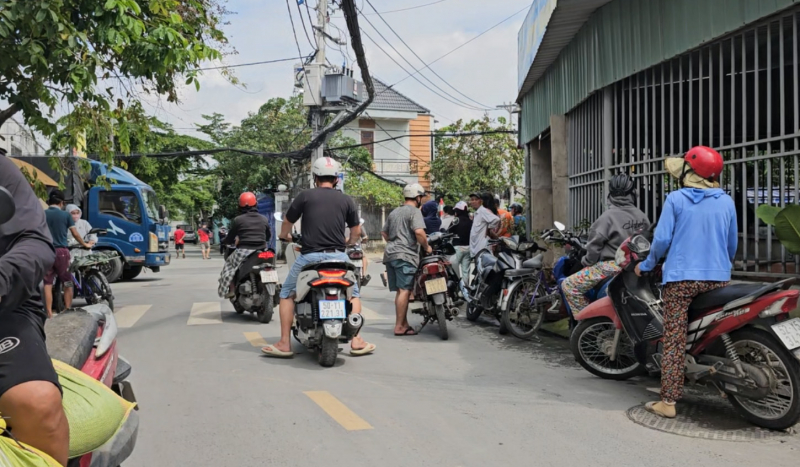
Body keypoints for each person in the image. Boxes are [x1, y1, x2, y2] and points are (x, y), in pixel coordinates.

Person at [636, 146, 734, 419]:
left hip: (681, 280)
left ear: (688, 173)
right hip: (718, 278)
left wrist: (647, 265)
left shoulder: (676, 199)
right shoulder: (726, 201)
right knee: (713, 326)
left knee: (674, 338)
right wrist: (722, 265)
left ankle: (668, 402)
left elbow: (662, 240)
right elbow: (731, 243)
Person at [262, 157, 375, 357]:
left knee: (286, 293)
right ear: (336, 179)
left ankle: (284, 343)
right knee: (354, 293)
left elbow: (287, 221)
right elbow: (356, 231)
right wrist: (349, 242)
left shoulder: (305, 196)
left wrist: (283, 235)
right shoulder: (346, 199)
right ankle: (356, 340)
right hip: (339, 258)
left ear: (315, 177)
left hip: (310, 258)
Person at [0, 155, 70, 465]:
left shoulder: (4, 171)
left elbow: (35, 241)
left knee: (35, 401)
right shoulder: (67, 216)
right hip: (64, 254)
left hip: (7, 302)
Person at [560, 173, 650, 317]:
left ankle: (590, 322)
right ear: (633, 193)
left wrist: (586, 262)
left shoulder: (607, 217)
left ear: (611, 193)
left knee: (569, 285)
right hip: (636, 267)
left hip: (611, 266)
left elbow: (593, 249)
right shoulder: (641, 216)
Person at [381, 183, 431, 336]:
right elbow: (419, 233)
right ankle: (399, 326)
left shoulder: (394, 212)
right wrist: (427, 247)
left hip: (390, 255)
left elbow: (384, 233)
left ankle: (404, 324)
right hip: (405, 256)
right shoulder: (415, 212)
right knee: (404, 291)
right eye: (421, 197)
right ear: (417, 197)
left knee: (400, 291)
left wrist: (395, 241)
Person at [43, 190, 93, 317]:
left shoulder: (42, 214)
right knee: (68, 281)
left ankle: (49, 313)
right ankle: (67, 309)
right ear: (62, 203)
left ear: (49, 202)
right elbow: (75, 233)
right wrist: (84, 244)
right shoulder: (65, 216)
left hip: (46, 251)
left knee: (47, 283)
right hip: (62, 252)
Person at [218, 192, 271, 299]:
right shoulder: (264, 219)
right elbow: (268, 236)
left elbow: (231, 237)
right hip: (262, 249)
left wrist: (225, 241)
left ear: (240, 206)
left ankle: (232, 289)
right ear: (255, 204)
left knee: (229, 267)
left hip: (244, 250)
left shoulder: (238, 220)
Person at [468, 192, 500, 258]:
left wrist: (488, 228)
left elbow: (496, 219)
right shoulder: (477, 213)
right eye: (472, 199)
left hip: (482, 248)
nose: (473, 201)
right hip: (477, 248)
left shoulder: (483, 211)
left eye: (476, 199)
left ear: (481, 201)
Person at [451, 201, 473, 283]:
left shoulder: (456, 220)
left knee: (453, 269)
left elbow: (450, 230)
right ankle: (465, 288)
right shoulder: (470, 221)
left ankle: (456, 287)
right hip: (468, 248)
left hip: (457, 247)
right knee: (466, 270)